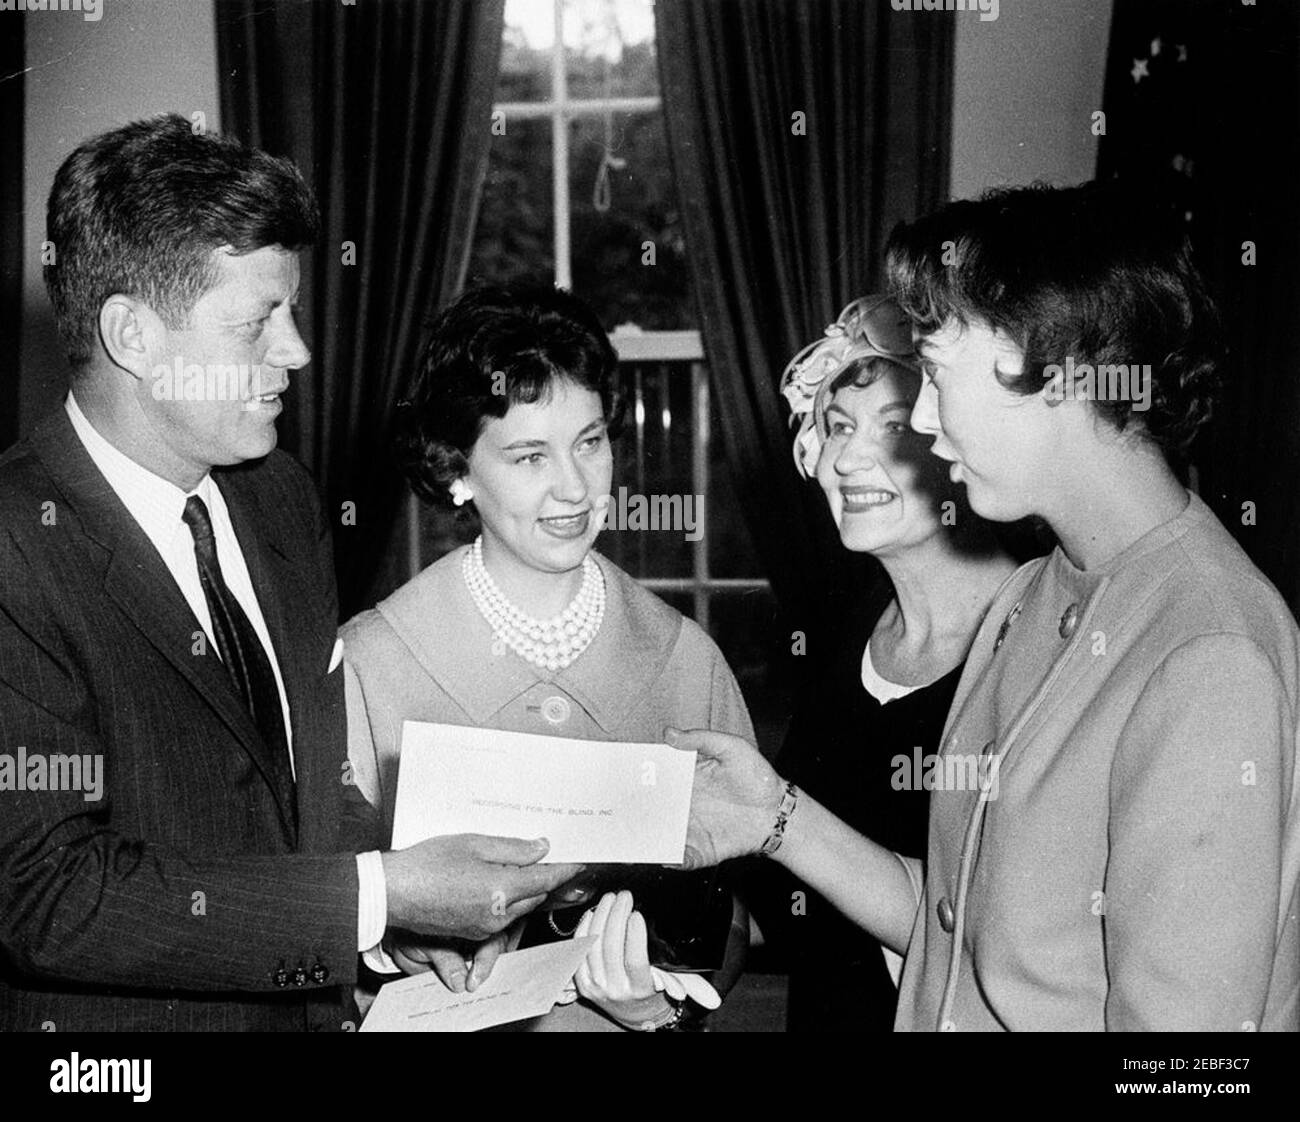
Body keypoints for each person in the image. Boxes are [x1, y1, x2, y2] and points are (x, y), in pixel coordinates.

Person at [668, 181, 1300, 1032]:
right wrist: (771, 818)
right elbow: (957, 927)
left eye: (933, 376)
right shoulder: (1031, 599)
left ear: (1056, 372)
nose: (922, 422)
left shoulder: (1209, 654)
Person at [0, 115, 579, 1031]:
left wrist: (388, 925)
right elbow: (45, 893)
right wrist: (373, 896)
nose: (299, 351)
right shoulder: (14, 546)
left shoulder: (278, 498)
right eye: (257, 322)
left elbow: (299, 787)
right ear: (132, 336)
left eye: (294, 311)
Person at [342, 284, 754, 1031]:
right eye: (530, 455)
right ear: (455, 469)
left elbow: (734, 920)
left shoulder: (687, 660)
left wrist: (656, 1005)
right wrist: (391, 943)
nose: (574, 487)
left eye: (590, 442)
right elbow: (322, 911)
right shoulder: (371, 663)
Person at [738, 295, 1018, 1030]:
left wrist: (776, 818)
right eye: (836, 427)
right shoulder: (850, 630)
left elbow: (1006, 947)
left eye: (894, 427)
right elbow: (787, 898)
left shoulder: (1032, 643)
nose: (848, 457)